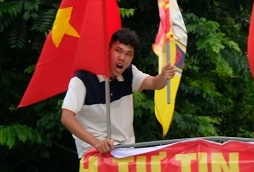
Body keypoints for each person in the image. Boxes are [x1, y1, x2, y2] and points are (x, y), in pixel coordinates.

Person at [61, 28, 176, 157]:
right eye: (118, 51)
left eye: (128, 54)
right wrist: (97, 143)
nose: (122, 58)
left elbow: (155, 83)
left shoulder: (130, 73)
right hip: (94, 154)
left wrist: (164, 76)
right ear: (108, 50)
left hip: (125, 151)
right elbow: (66, 117)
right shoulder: (83, 78)